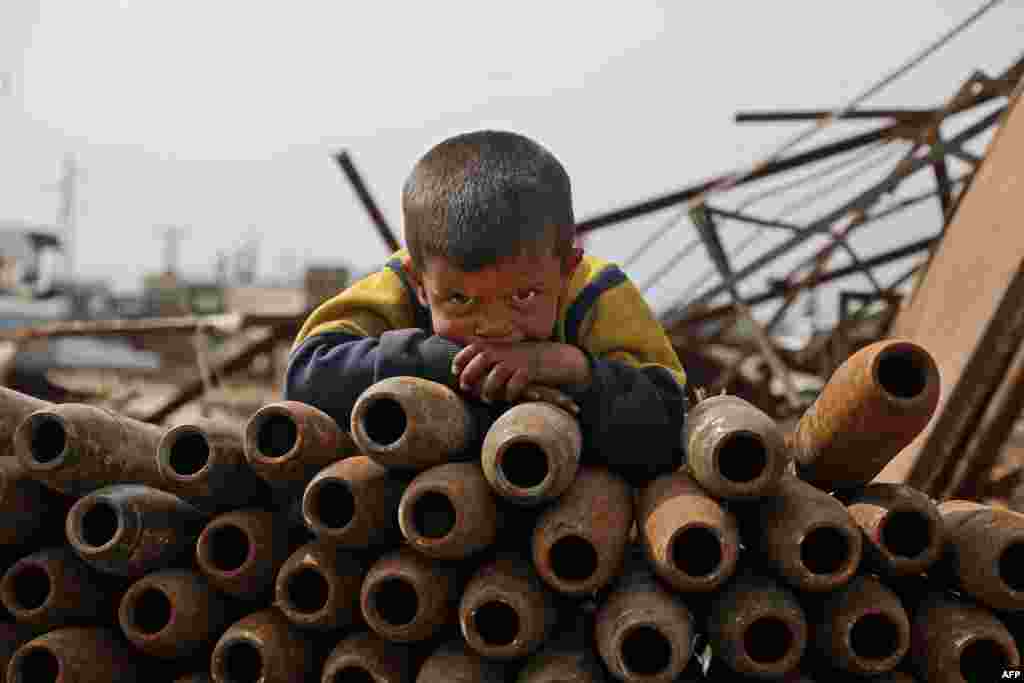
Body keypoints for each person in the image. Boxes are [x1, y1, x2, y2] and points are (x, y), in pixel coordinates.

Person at [285, 130, 688, 485]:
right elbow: (307, 377)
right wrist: (443, 363)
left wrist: (571, 368)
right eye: (460, 300)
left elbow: (669, 424)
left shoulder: (594, 293)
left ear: (567, 268)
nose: (495, 328)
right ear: (418, 282)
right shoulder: (400, 286)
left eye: (524, 297)